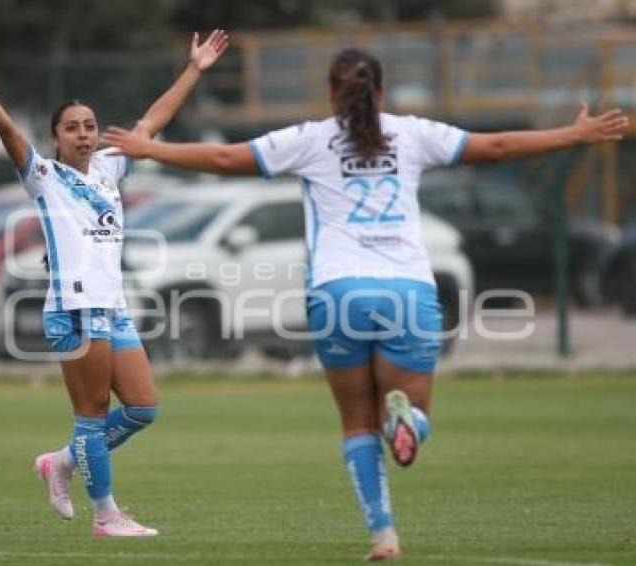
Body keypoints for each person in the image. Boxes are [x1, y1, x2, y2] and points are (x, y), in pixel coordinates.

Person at [104, 47, 629, 558]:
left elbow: (225, 157)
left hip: (338, 291)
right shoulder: (415, 133)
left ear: (332, 93)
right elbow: (494, 148)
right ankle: (409, 425)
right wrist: (574, 133)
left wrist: (154, 150)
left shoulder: (309, 139)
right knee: (414, 408)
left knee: (357, 424)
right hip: (408, 290)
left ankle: (384, 537)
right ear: (381, 90)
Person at [0, 28, 228, 537]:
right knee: (91, 416)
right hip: (73, 309)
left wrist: (194, 69)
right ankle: (106, 515)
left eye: (90, 126)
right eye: (72, 127)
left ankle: (61, 463)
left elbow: (152, 123)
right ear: (56, 137)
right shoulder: (43, 176)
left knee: (142, 407)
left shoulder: (109, 169)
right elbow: (5, 128)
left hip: (112, 308)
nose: (84, 134)